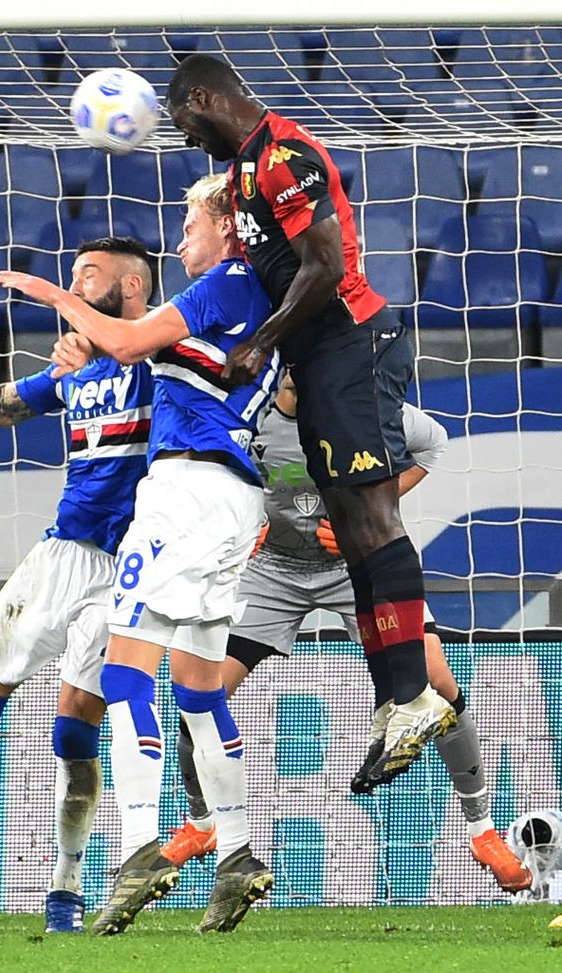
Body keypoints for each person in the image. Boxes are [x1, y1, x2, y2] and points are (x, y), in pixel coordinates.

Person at [0, 173, 282, 936]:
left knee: (123, 671)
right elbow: (133, 350)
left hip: (183, 489)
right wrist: (83, 341)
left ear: (230, 229)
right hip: (232, 497)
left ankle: (139, 851)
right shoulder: (260, 301)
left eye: (191, 224)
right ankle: (241, 852)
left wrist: (57, 295)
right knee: (198, 687)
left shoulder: (226, 283)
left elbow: (125, 338)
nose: (181, 238)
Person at [166, 54, 456, 787]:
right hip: (316, 353)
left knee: (372, 517)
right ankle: (400, 698)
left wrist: (258, 345)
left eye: (183, 121)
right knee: (356, 533)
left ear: (205, 98)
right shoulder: (239, 173)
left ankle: (411, 695)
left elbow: (324, 266)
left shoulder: (284, 155)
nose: (187, 137)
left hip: (352, 339)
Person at [162, 374, 532, 895]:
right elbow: (201, 471)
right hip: (270, 570)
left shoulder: (356, 400)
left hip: (354, 563)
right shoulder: (247, 408)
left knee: (435, 680)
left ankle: (482, 828)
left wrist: (364, 511)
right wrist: (241, 522)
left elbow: (432, 443)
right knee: (200, 693)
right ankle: (203, 824)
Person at [0, 236, 154, 933]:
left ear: (130, 288)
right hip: (65, 553)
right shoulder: (74, 373)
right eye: (70, 277)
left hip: (127, 570)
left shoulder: (165, 355)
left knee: (74, 729)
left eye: (88, 274)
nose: (74, 284)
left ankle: (66, 883)